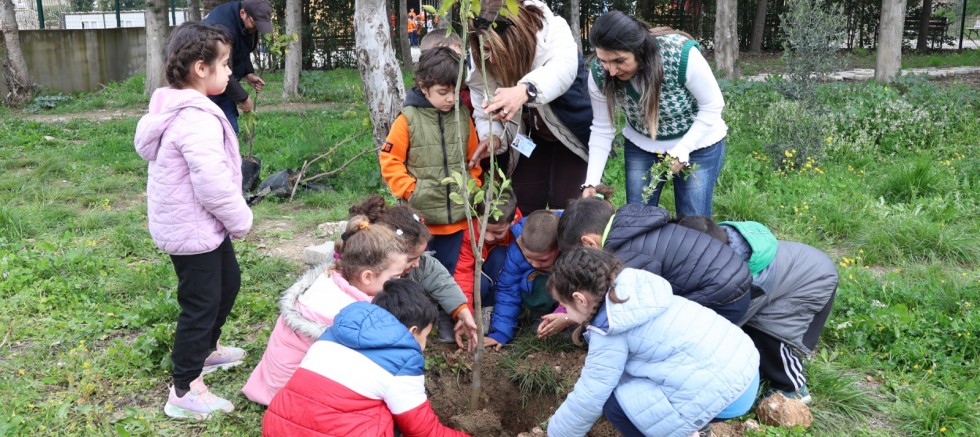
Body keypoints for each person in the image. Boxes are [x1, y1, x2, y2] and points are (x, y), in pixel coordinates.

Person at [134, 22, 253, 420]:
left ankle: (206, 350)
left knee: (227, 283)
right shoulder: (195, 118)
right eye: (226, 64)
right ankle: (184, 388)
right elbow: (213, 185)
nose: (230, 72)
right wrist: (241, 219)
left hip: (200, 226)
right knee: (200, 304)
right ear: (201, 68)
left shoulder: (182, 108)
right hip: (193, 228)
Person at [545, 248, 759, 436]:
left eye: (565, 306)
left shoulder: (609, 330)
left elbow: (590, 396)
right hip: (745, 369)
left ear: (580, 299)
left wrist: (556, 433)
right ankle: (694, 428)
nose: (567, 313)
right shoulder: (635, 288)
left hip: (724, 395)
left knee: (615, 406)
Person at [263, 280, 471, 436]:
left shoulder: (333, 333)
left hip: (276, 428)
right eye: (424, 337)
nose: (423, 347)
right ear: (412, 331)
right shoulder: (403, 359)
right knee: (398, 417)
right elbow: (424, 432)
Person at [242, 217, 408, 405]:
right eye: (395, 277)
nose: (399, 283)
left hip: (275, 380)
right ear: (367, 277)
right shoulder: (349, 312)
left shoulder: (330, 280)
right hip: (293, 394)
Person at [675, 216, 838, 404]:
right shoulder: (717, 243)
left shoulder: (748, 279)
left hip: (811, 281)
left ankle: (793, 386)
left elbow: (729, 322)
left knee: (769, 331)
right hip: (794, 270)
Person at [582, 11, 728, 219]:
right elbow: (602, 128)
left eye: (619, 60)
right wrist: (591, 182)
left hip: (698, 142)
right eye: (604, 61)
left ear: (639, 50)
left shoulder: (679, 55)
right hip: (642, 144)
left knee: (693, 219)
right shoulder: (599, 72)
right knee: (638, 218)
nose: (611, 71)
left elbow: (713, 105)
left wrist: (684, 148)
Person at [557, 186, 752, 324]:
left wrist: (578, 319)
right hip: (732, 278)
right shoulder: (633, 224)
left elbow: (630, 307)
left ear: (589, 243)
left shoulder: (627, 257)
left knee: (651, 330)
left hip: (724, 299)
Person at [466, 0, 592, 214]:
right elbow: (482, 100)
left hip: (570, 132)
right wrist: (492, 135)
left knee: (567, 203)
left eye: (498, 51)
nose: (491, 59)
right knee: (524, 199)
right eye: (486, 49)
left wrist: (525, 90)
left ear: (517, 41)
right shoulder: (480, 47)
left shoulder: (552, 30)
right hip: (528, 136)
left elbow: (563, 69)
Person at [380, 47, 482, 280]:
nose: (451, 98)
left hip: (457, 219)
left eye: (456, 92)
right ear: (424, 87)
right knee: (417, 275)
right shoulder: (407, 119)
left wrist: (473, 185)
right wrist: (411, 190)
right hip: (421, 221)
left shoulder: (463, 116)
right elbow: (390, 159)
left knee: (448, 276)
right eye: (443, 92)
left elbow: (473, 158)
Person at [349, 195, 479, 350]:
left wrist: (463, 312)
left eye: (420, 256)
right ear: (388, 253)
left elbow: (441, 281)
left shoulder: (419, 264)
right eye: (411, 259)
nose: (417, 263)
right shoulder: (365, 274)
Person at [486, 209, 562, 349]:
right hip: (535, 290)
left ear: (559, 247)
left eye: (542, 260)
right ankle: (538, 315)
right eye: (529, 258)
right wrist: (501, 333)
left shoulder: (570, 247)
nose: (535, 264)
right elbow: (508, 291)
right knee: (538, 281)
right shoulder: (517, 250)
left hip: (565, 296)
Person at [204, 0, 273, 133]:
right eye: (255, 24)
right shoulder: (221, 30)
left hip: (223, 84)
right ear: (243, 13)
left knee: (230, 129)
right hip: (205, 85)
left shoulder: (246, 23)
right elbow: (220, 70)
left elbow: (241, 49)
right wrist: (243, 98)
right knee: (211, 130)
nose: (256, 29)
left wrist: (248, 73)